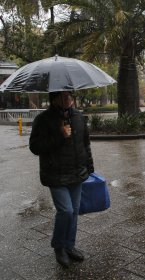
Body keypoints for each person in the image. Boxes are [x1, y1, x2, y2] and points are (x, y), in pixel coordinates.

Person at [29, 91, 94, 268]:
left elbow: (85, 144)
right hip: (55, 174)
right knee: (65, 210)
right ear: (55, 98)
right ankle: (59, 246)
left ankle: (69, 246)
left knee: (74, 212)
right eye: (65, 96)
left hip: (77, 173)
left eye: (70, 96)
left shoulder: (79, 117)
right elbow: (35, 147)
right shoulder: (43, 120)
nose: (69, 99)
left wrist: (89, 168)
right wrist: (59, 135)